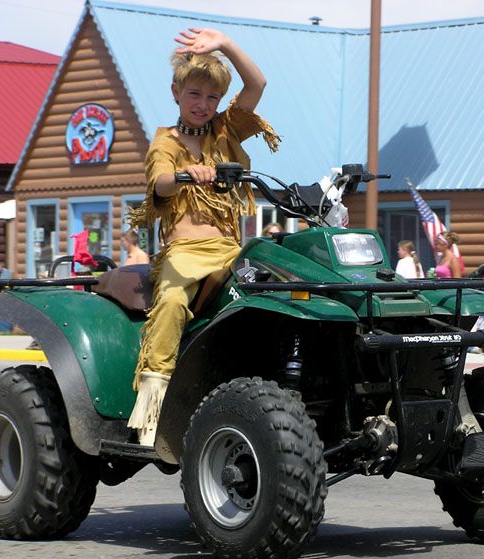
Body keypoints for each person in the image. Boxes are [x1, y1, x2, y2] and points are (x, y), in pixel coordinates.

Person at [126, 27, 280, 445]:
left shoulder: (225, 131)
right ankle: (150, 410)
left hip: (229, 250)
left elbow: (258, 84)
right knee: (173, 301)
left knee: (277, 288)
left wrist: (226, 44)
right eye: (195, 94)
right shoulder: (166, 141)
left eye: (211, 97)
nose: (203, 104)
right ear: (176, 92)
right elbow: (158, 182)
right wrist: (183, 176)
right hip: (185, 252)